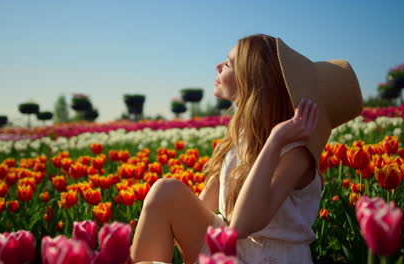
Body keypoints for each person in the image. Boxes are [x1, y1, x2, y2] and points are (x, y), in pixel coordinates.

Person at [129, 34, 363, 264]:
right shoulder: (239, 138)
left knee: (166, 191)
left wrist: (275, 141)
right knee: (165, 192)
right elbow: (203, 209)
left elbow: (241, 224)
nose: (217, 66)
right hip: (230, 247)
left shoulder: (296, 152)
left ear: (252, 80)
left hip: (266, 257)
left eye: (228, 63)